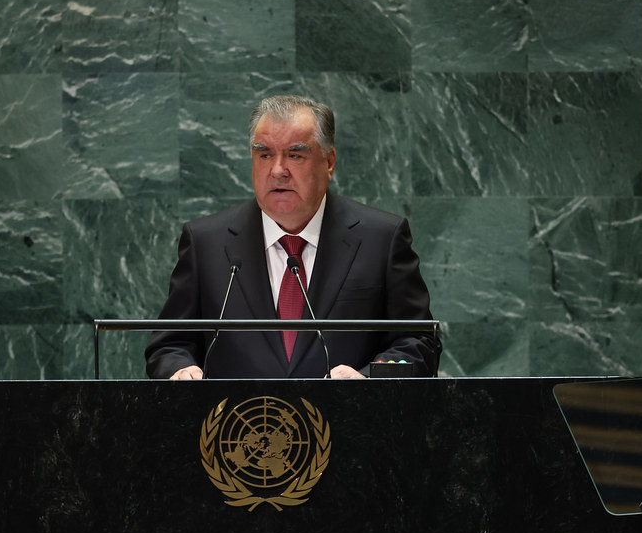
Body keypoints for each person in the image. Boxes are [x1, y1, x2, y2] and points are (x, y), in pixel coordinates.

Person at [145, 95, 440, 379]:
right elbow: (170, 345)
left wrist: (367, 379)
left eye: (295, 155)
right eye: (265, 154)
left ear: (329, 162)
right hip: (236, 415)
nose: (277, 171)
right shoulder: (206, 243)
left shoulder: (382, 239)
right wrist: (181, 371)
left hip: (347, 412)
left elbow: (418, 342)